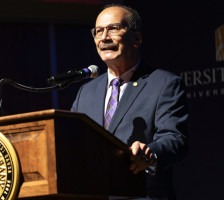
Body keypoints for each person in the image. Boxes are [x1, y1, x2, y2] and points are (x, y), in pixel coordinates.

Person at [71, 4, 188, 200]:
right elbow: (72, 143)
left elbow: (175, 138)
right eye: (98, 31)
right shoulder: (87, 91)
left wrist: (151, 153)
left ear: (137, 38)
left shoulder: (165, 84)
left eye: (113, 28)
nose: (104, 38)